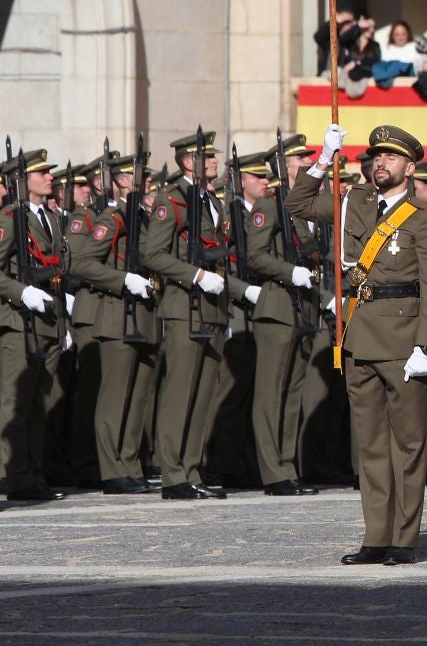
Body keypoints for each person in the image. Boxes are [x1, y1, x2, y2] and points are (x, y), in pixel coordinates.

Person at [288, 123, 427, 564]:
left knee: (409, 445)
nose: (381, 162)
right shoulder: (351, 202)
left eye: (391, 157)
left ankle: (404, 539)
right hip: (358, 335)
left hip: (403, 341)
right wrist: (322, 159)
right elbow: (297, 203)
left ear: (410, 167)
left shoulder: (424, 219)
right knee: (371, 445)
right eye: (376, 156)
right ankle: (376, 536)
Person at [144, 133, 250, 501]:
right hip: (183, 307)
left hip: (213, 310)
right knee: (180, 393)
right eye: (207, 157)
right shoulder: (171, 200)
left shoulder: (208, 200)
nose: (214, 162)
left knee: (204, 393)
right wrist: (197, 276)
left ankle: (191, 468)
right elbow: (153, 254)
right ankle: (173, 474)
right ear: (189, 162)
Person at [64, 149, 160, 495]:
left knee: (138, 398)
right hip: (117, 314)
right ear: (121, 180)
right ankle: (110, 469)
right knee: (114, 396)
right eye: (142, 177)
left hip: (146, 316)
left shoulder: (144, 217)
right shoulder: (113, 218)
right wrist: (123, 281)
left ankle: (129, 464)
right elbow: (82, 263)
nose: (150, 182)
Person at [234, 149, 320, 497]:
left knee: (292, 392)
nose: (310, 166)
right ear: (284, 170)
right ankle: (273, 472)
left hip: (304, 309)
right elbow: (255, 255)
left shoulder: (305, 207)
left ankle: (287, 465)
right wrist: (290, 272)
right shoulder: (270, 206)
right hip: (278, 307)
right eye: (301, 162)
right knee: (271, 393)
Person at [0, 149, 71, 502]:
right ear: (21, 180)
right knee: (17, 403)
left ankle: (33, 475)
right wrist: (21, 291)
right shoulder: (11, 218)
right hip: (18, 320)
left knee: (41, 402)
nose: (50, 178)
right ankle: (13, 476)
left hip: (48, 319)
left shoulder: (50, 218)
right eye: (41, 173)